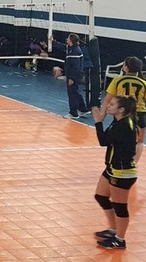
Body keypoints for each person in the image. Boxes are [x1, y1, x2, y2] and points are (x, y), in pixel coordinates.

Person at [91, 96, 138, 250]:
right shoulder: (118, 121)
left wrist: (98, 121)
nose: (108, 106)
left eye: (112, 105)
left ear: (121, 109)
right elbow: (108, 140)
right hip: (112, 168)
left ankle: (120, 239)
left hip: (122, 172)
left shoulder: (124, 125)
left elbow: (103, 141)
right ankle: (113, 229)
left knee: (120, 207)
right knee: (101, 196)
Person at [101, 56, 146, 163]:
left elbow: (107, 100)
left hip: (122, 114)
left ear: (126, 67)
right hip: (139, 113)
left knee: (117, 139)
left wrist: (101, 117)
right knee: (139, 141)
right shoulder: (143, 83)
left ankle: (114, 162)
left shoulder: (118, 80)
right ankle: (133, 164)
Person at [56, 34, 90, 119]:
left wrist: (72, 78)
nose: (66, 39)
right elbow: (63, 47)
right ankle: (83, 109)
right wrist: (52, 42)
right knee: (75, 92)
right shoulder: (70, 47)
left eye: (68, 38)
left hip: (74, 75)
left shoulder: (75, 51)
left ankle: (73, 113)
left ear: (71, 40)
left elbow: (76, 67)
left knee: (72, 94)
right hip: (72, 74)